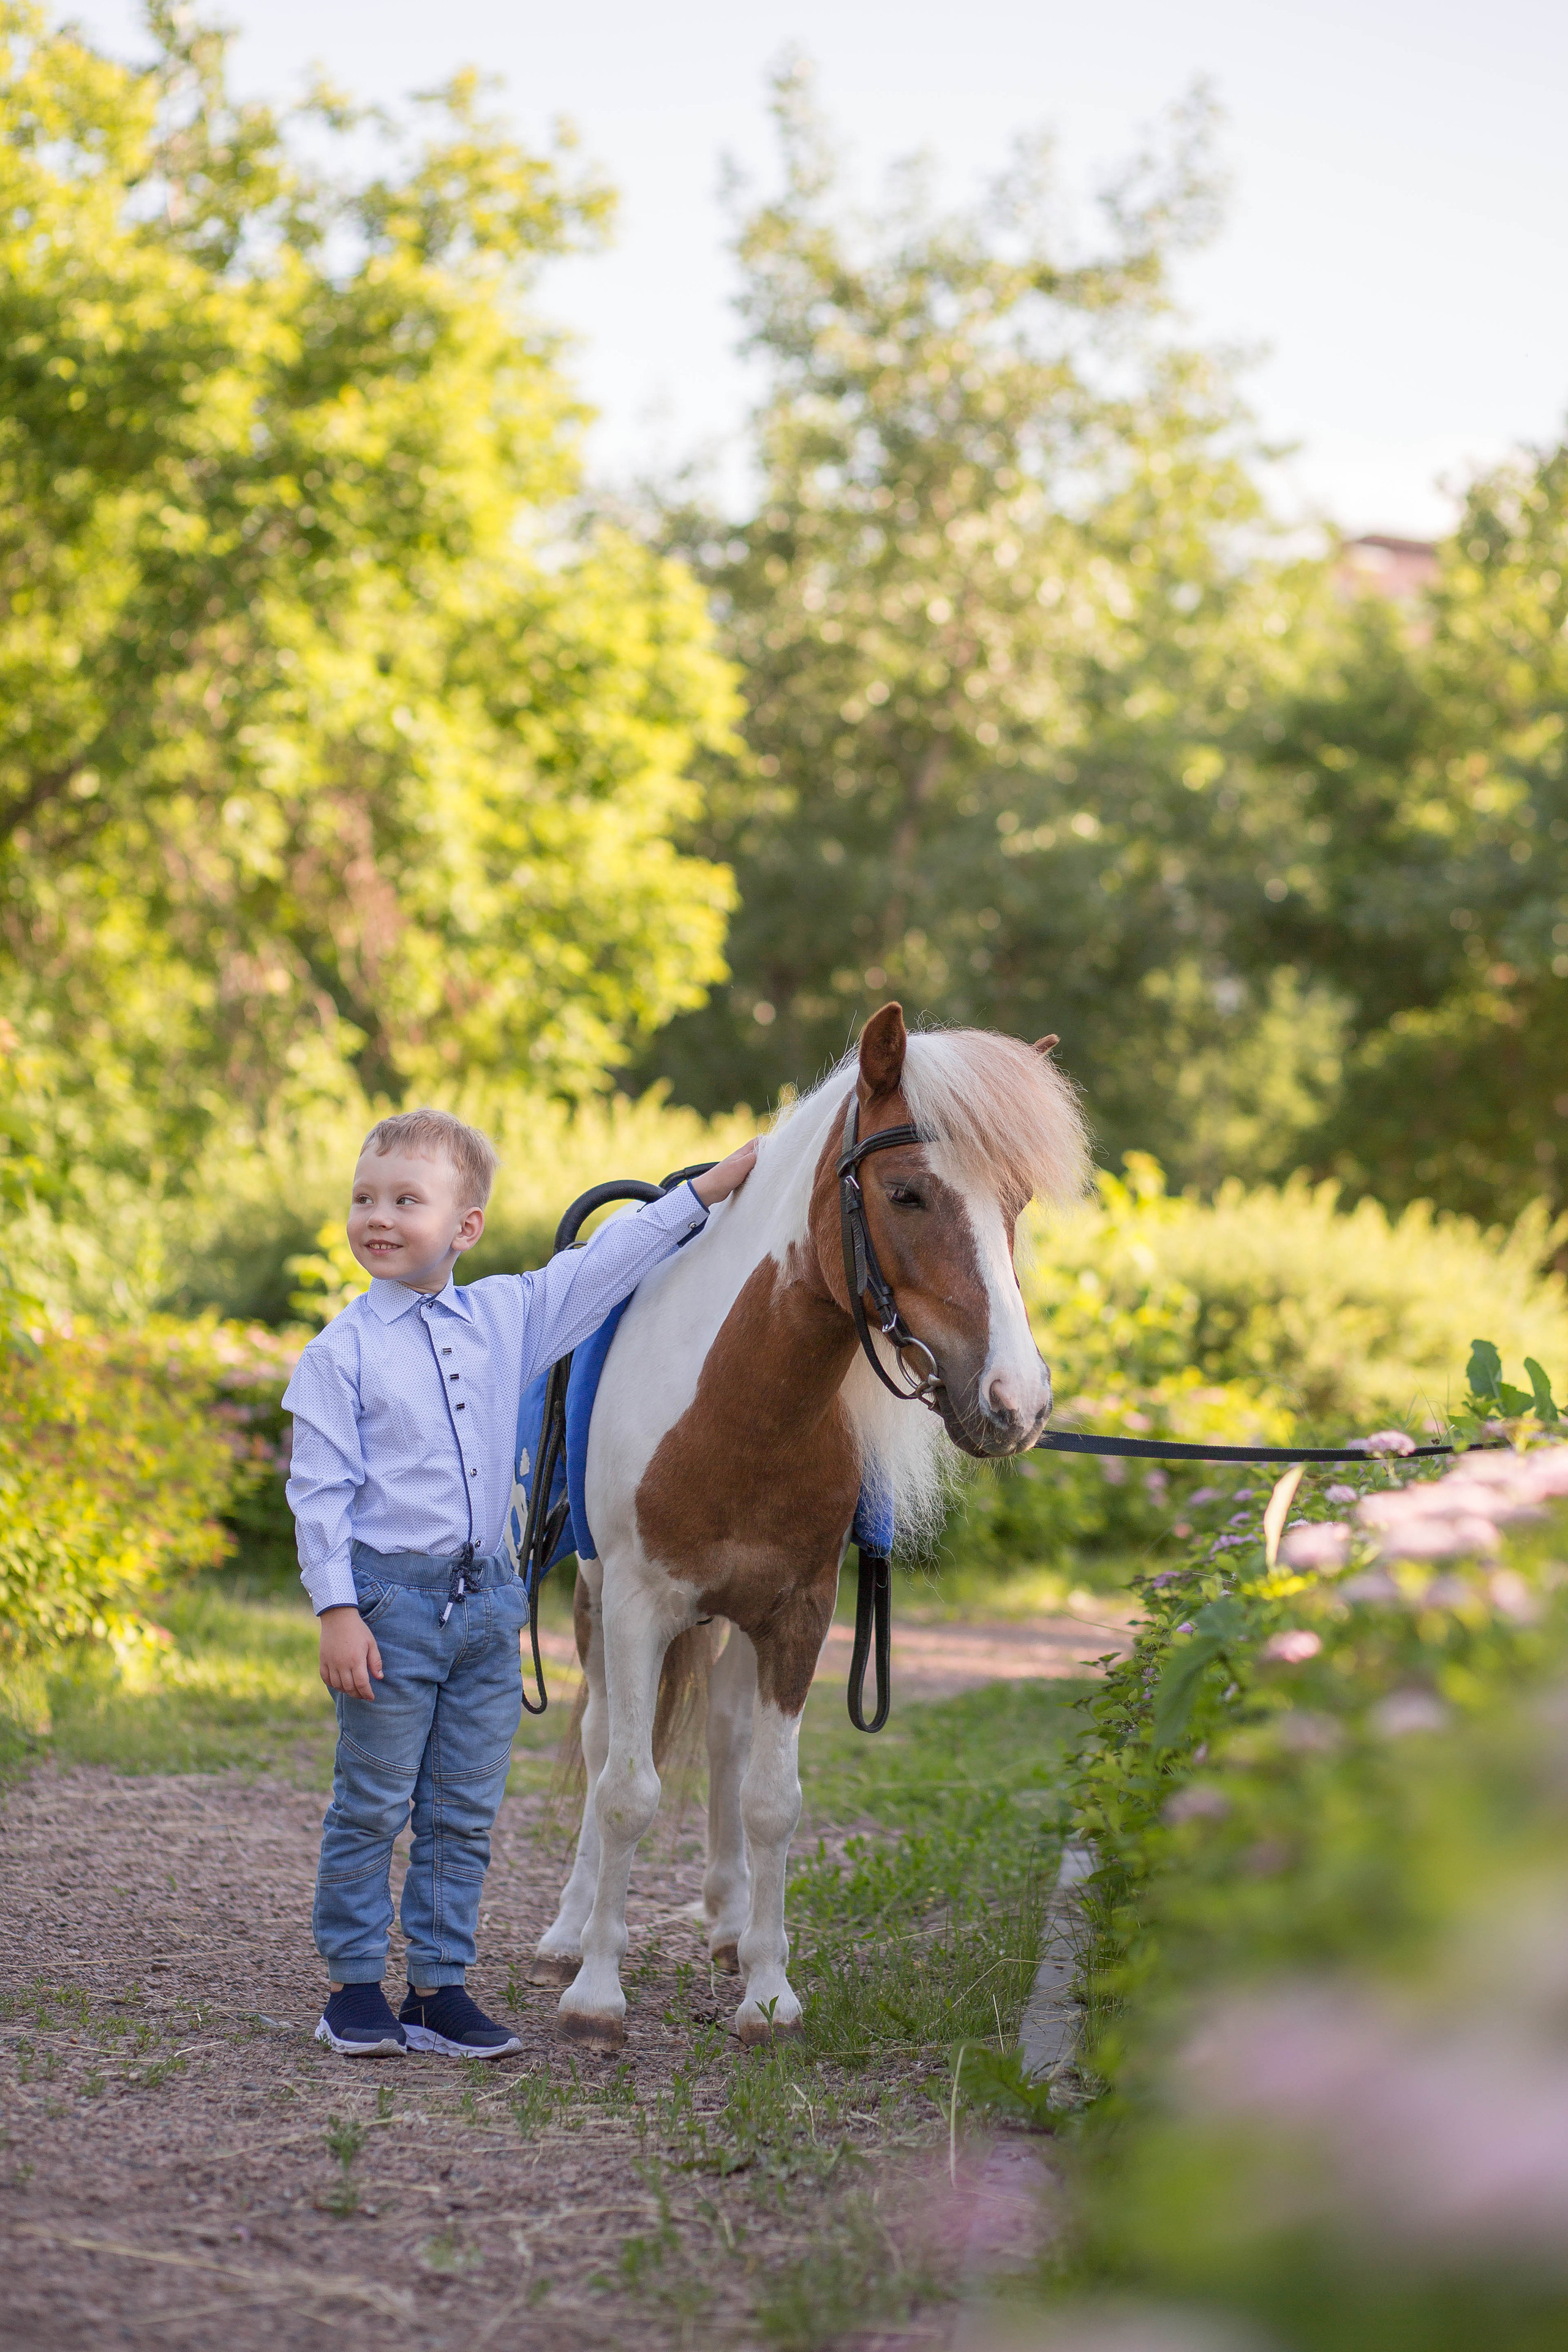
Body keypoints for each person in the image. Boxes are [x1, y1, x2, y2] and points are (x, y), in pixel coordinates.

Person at [283, 1107, 757, 2059]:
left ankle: (439, 1988)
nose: (378, 1216)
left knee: (463, 1809)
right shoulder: (342, 1353)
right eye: (365, 1198)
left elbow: (607, 1263)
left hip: (488, 1608)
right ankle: (353, 1987)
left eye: (406, 1200)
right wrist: (337, 1609)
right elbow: (319, 1492)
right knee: (373, 1803)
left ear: (465, 1226)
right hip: (388, 1608)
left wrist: (706, 1192)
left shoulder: (507, 1318)